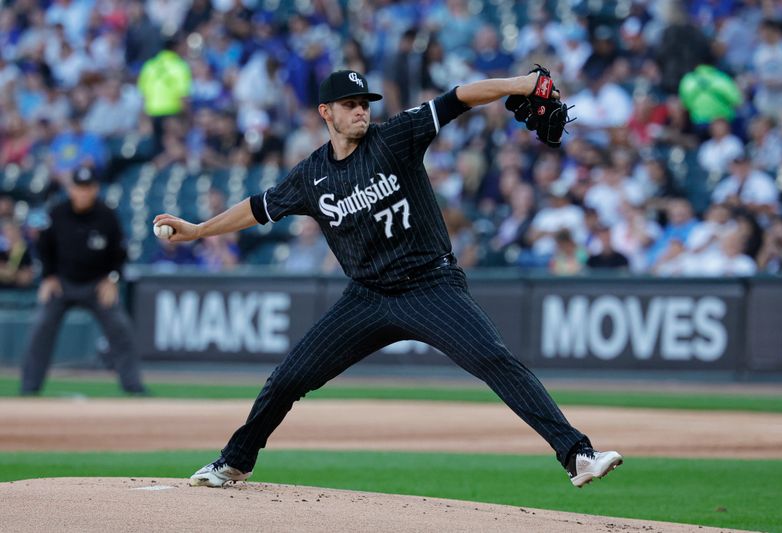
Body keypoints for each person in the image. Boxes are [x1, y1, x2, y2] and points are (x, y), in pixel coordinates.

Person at [154, 69, 622, 489]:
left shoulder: (394, 137)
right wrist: (198, 230)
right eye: (350, 105)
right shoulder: (312, 173)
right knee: (287, 377)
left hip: (430, 286)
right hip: (367, 297)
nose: (361, 111)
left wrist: (519, 85)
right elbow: (259, 208)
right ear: (326, 113)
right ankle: (234, 462)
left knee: (494, 359)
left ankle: (577, 454)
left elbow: (458, 97)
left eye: (365, 104)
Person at [20, 167, 145, 396]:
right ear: (71, 189)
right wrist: (48, 277)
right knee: (40, 326)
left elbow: (120, 253)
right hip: (62, 283)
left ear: (95, 189)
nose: (84, 193)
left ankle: (134, 387)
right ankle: (29, 389)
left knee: (121, 328)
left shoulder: (107, 215)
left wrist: (112, 279)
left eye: (88, 188)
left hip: (96, 285)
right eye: (79, 187)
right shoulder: (57, 213)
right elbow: (43, 248)